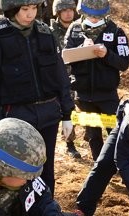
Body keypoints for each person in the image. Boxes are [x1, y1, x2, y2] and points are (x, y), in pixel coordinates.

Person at [0, 0, 74, 190]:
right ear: (12, 9)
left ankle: (48, 214)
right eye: (25, 9)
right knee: (19, 174)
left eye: (34, 8)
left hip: (49, 114)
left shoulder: (45, 33)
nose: (30, 14)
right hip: (16, 118)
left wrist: (67, 114)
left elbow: (60, 75)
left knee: (46, 170)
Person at [63, 0, 129, 161]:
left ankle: (121, 166)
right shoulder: (74, 29)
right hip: (83, 95)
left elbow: (124, 63)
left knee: (116, 134)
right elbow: (65, 57)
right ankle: (99, 166)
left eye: (98, 16)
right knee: (93, 137)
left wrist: (107, 54)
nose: (93, 19)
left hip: (107, 95)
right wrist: (82, 50)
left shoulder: (116, 31)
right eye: (90, 15)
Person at [49, 0, 79, 159]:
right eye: (64, 10)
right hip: (58, 79)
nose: (68, 13)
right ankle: (70, 143)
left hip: (79, 76)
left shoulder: (80, 29)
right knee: (67, 110)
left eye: (70, 10)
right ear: (58, 12)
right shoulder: (49, 32)